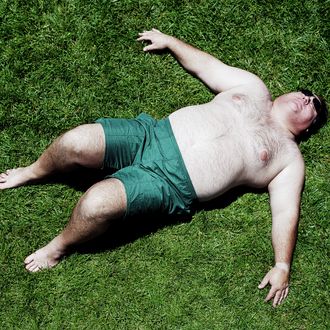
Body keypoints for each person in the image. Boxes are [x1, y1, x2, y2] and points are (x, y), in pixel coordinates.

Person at [0, 29, 327, 307]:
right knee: (75, 142)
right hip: (150, 136)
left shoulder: (288, 158)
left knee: (96, 204)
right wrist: (170, 41)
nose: (306, 99)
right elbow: (208, 67)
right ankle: (31, 171)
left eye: (315, 106)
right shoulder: (254, 88)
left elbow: (285, 212)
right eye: (306, 93)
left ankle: (58, 248)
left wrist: (282, 264)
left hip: (171, 183)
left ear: (310, 126)